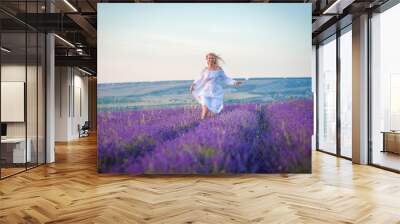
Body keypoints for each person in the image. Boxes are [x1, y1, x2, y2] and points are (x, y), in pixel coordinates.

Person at [190, 52, 243, 119]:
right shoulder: (205, 70)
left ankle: (210, 124)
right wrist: (194, 84)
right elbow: (199, 79)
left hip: (216, 92)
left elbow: (225, 79)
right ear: (207, 59)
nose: (210, 59)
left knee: (214, 111)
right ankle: (202, 121)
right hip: (205, 91)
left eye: (212, 58)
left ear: (214, 59)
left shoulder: (219, 69)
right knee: (205, 108)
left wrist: (234, 82)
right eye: (209, 58)